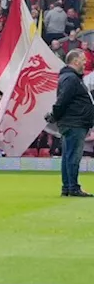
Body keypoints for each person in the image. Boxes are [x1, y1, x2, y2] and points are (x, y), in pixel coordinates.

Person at [49, 49, 94, 197]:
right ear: (75, 61)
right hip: (74, 122)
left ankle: (68, 187)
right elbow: (63, 100)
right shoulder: (71, 79)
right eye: (82, 59)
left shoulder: (71, 78)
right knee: (73, 156)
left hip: (73, 121)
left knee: (68, 156)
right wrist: (55, 114)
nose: (85, 61)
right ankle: (72, 187)